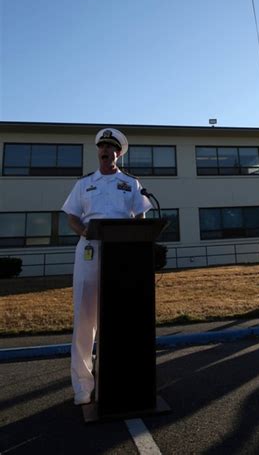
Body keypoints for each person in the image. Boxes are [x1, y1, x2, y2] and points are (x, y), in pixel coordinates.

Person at [62, 127, 152, 406]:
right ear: (98, 152)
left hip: (121, 253)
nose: (106, 152)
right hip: (90, 250)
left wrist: (134, 242)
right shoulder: (84, 183)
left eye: (111, 148)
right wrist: (84, 232)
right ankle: (83, 385)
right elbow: (72, 217)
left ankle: (119, 378)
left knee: (120, 318)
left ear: (118, 154)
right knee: (85, 317)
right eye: (102, 148)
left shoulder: (131, 184)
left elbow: (140, 217)